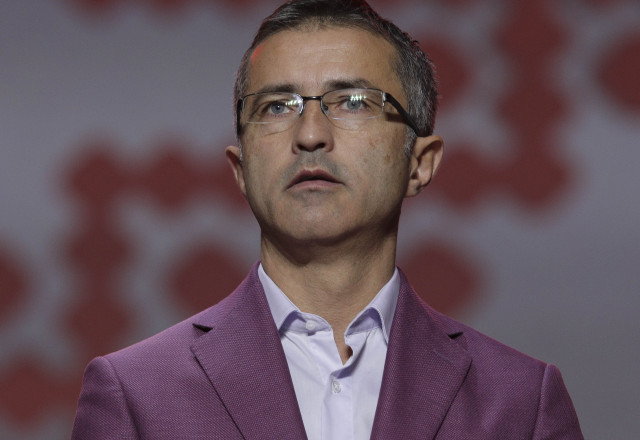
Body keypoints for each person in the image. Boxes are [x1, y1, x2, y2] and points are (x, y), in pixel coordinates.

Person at [71, 0, 584, 438]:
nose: (310, 134)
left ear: (420, 163)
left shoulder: (520, 403)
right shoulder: (136, 394)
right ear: (240, 170)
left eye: (354, 102)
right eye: (277, 106)